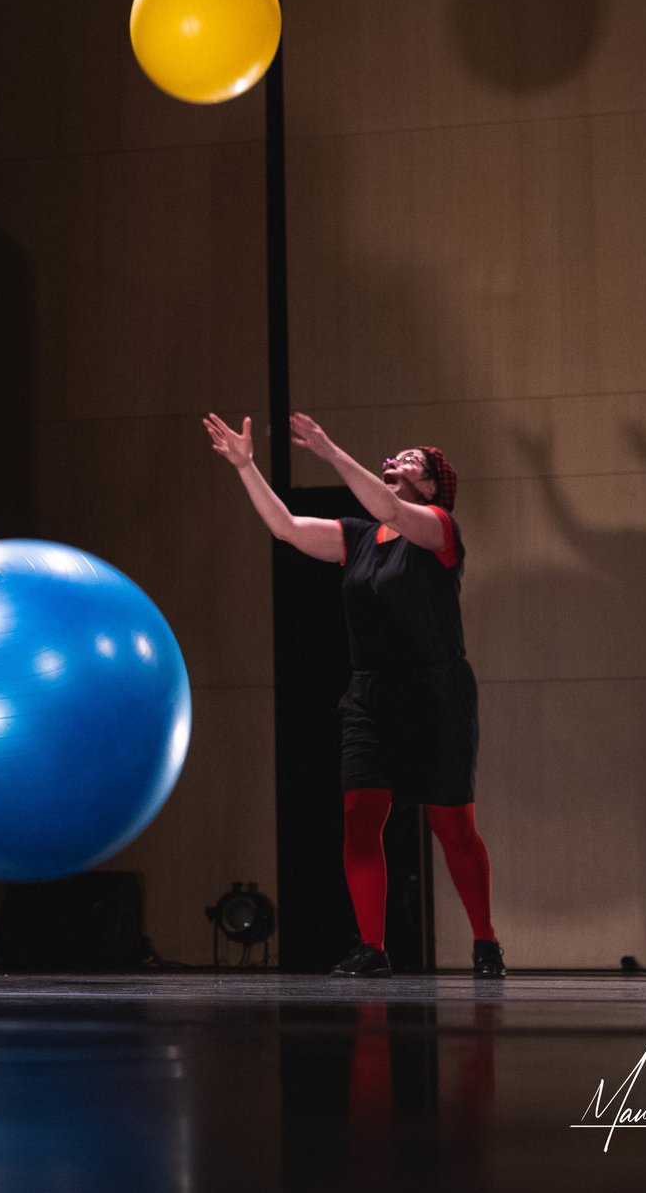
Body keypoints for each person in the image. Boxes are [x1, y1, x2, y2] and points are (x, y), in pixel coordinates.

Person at [203, 410, 504, 979]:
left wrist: (328, 450)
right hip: (371, 692)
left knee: (452, 826)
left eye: (412, 460)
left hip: (435, 691)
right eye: (397, 455)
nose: (397, 460)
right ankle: (373, 947)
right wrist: (245, 467)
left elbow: (391, 510)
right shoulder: (360, 537)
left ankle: (485, 942)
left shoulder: (438, 528)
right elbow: (286, 527)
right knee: (361, 817)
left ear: (431, 487)